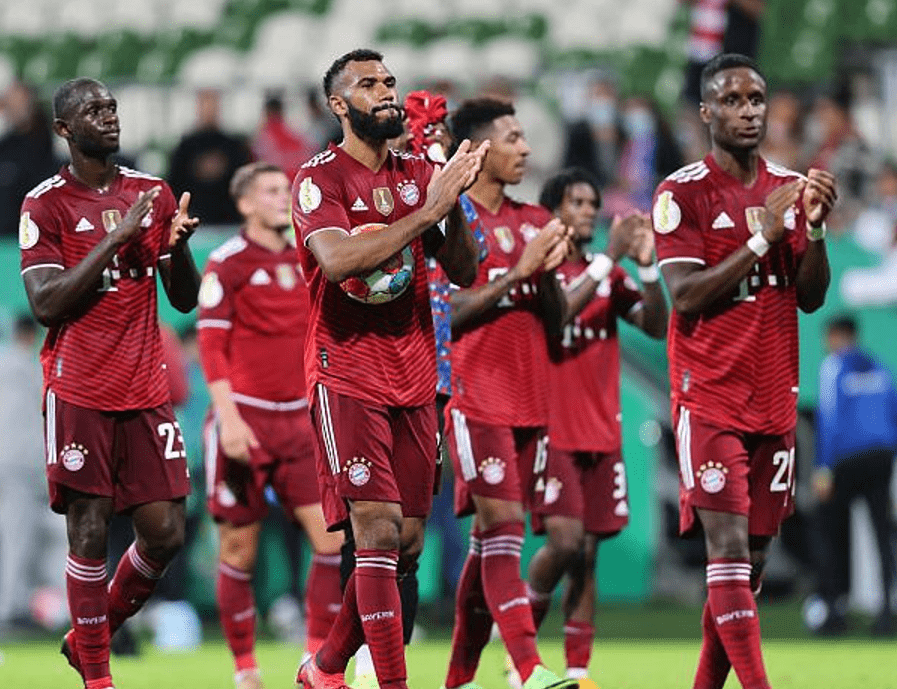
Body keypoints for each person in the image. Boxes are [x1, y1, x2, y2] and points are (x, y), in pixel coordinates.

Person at [291, 48, 486, 689]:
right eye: (368, 84)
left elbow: (463, 270)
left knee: (407, 540)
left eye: (389, 82)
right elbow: (338, 262)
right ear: (338, 105)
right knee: (374, 528)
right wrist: (427, 210)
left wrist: (451, 200)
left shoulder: (418, 174)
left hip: (414, 373)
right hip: (346, 371)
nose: (385, 92)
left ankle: (324, 667)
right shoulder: (319, 178)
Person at [653, 53, 837, 689]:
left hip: (774, 397)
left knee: (748, 564)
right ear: (707, 111)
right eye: (732, 100)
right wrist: (761, 239)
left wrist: (814, 231)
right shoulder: (681, 193)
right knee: (727, 549)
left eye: (756, 99)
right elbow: (686, 296)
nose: (748, 111)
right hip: (709, 396)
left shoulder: (788, 188)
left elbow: (810, 297)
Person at [19, 77, 201, 689]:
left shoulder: (153, 193)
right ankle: (99, 677)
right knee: (89, 529)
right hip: (79, 388)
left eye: (112, 107)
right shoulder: (45, 204)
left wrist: (179, 250)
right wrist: (116, 239)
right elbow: (46, 302)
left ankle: (87, 637)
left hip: (145, 387)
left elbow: (184, 297)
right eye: (93, 110)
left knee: (165, 534)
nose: (109, 117)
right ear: (64, 129)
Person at [441, 97, 577, 689]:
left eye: (525, 137)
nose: (525, 148)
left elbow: (558, 322)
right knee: (503, 527)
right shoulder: (451, 219)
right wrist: (518, 273)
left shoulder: (533, 219)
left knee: (487, 544)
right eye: (513, 137)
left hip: (532, 399)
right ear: (478, 149)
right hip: (476, 396)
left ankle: (457, 679)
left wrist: (542, 273)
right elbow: (446, 315)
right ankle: (527, 667)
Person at [197, 161, 344, 689]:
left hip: (302, 423)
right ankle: (245, 667)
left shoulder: (311, 257)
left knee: (330, 543)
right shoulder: (227, 262)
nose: (284, 197)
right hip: (246, 419)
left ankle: (313, 656)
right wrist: (229, 419)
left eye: (286, 189)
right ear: (244, 204)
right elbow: (211, 346)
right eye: (270, 190)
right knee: (240, 548)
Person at [522, 168, 668, 683]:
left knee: (586, 554)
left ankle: (579, 670)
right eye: (576, 202)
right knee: (564, 542)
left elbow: (655, 325)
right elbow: (557, 317)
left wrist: (646, 269)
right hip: (552, 429)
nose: (588, 211)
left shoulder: (608, 275)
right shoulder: (539, 268)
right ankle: (521, 641)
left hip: (602, 431)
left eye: (592, 203)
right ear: (551, 211)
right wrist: (613, 257)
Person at [813, 315, 896, 636]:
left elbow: (828, 419)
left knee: (831, 532)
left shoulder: (834, 367)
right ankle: (887, 611)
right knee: (882, 534)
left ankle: (834, 608)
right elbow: (893, 413)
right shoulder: (879, 367)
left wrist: (823, 468)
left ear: (836, 336)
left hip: (847, 460)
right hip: (882, 458)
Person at [0, 314, 67, 633]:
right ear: (29, 334)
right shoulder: (28, 366)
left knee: (18, 537)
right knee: (18, 538)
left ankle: (17, 603)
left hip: (11, 463)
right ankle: (11, 608)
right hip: (20, 466)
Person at [168, 88, 251, 225]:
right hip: (195, 220)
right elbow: (175, 185)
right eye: (205, 105)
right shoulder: (185, 147)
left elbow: (245, 183)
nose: (209, 110)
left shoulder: (233, 146)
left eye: (212, 105)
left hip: (229, 221)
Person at [0, 80, 60, 236]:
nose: (15, 109)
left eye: (20, 102)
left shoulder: (47, 139)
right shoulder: (5, 148)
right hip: (7, 236)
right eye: (11, 104)